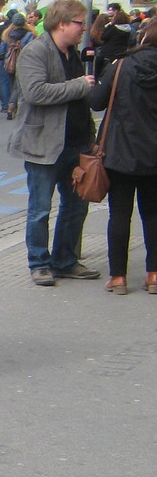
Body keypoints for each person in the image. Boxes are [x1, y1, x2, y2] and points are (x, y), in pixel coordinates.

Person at [7, 0, 99, 287]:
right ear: (61, 24)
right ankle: (39, 263)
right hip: (43, 145)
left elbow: (82, 103)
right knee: (40, 209)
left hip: (76, 144)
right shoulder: (35, 51)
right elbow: (36, 92)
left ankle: (65, 261)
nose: (84, 28)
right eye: (79, 23)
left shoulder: (74, 54)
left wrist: (91, 138)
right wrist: (79, 85)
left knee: (76, 207)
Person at [88, 17, 157, 294]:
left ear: (143, 37)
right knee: (153, 214)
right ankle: (153, 275)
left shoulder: (121, 66)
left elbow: (96, 102)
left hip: (120, 153)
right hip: (154, 156)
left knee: (119, 214)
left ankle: (118, 277)